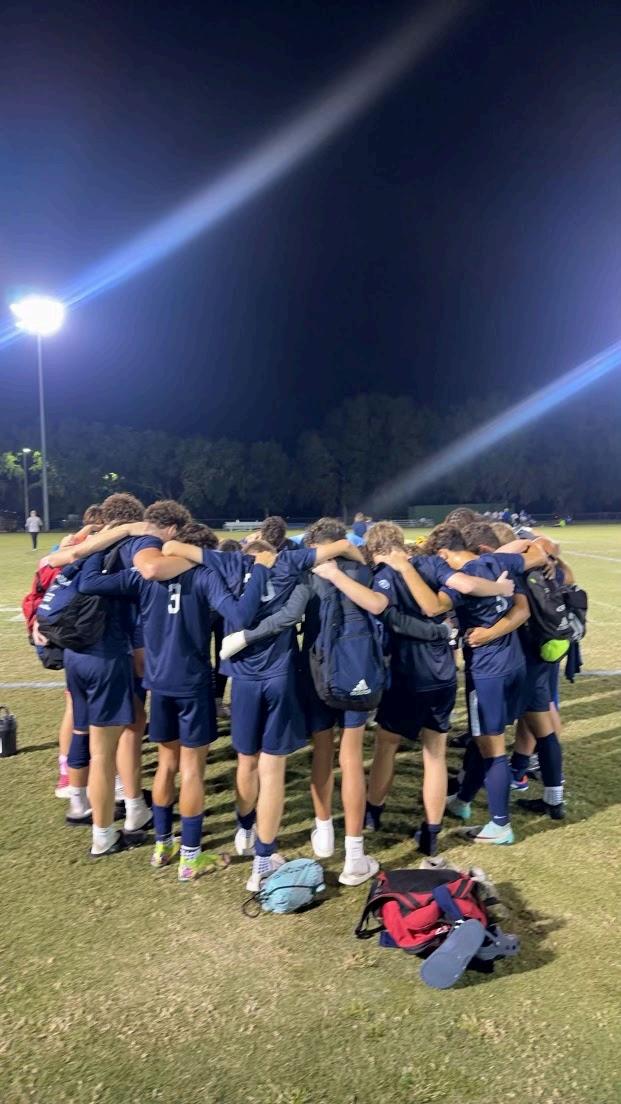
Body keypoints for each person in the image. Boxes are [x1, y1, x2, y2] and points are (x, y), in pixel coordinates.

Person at [162, 531, 366, 891]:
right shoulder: (289, 561)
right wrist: (362, 565)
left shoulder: (228, 562)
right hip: (280, 678)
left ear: (246, 553)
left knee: (247, 762)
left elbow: (172, 546)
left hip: (243, 680)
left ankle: (244, 830)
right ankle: (262, 862)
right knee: (273, 770)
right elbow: (346, 546)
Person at [308, 521, 517, 856]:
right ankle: (431, 832)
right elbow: (462, 584)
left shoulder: (380, 576)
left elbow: (386, 615)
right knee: (434, 753)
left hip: (407, 674)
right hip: (443, 673)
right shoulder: (431, 563)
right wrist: (499, 589)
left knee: (386, 746)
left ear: (376, 550)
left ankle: (373, 813)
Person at [78, 523, 275, 879]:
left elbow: (89, 583)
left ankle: (162, 845)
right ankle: (190, 857)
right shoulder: (205, 576)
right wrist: (260, 570)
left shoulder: (143, 577)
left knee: (167, 765)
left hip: (160, 685)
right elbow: (241, 616)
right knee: (192, 770)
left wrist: (97, 545)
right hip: (193, 685)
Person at [419, 524, 545, 845]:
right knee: (482, 738)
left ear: (443, 553)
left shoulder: (461, 581)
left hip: (488, 671)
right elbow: (539, 553)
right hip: (514, 663)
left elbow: (434, 605)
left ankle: (500, 825)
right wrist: (518, 545)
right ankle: (463, 800)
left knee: (492, 748)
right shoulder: (497, 562)